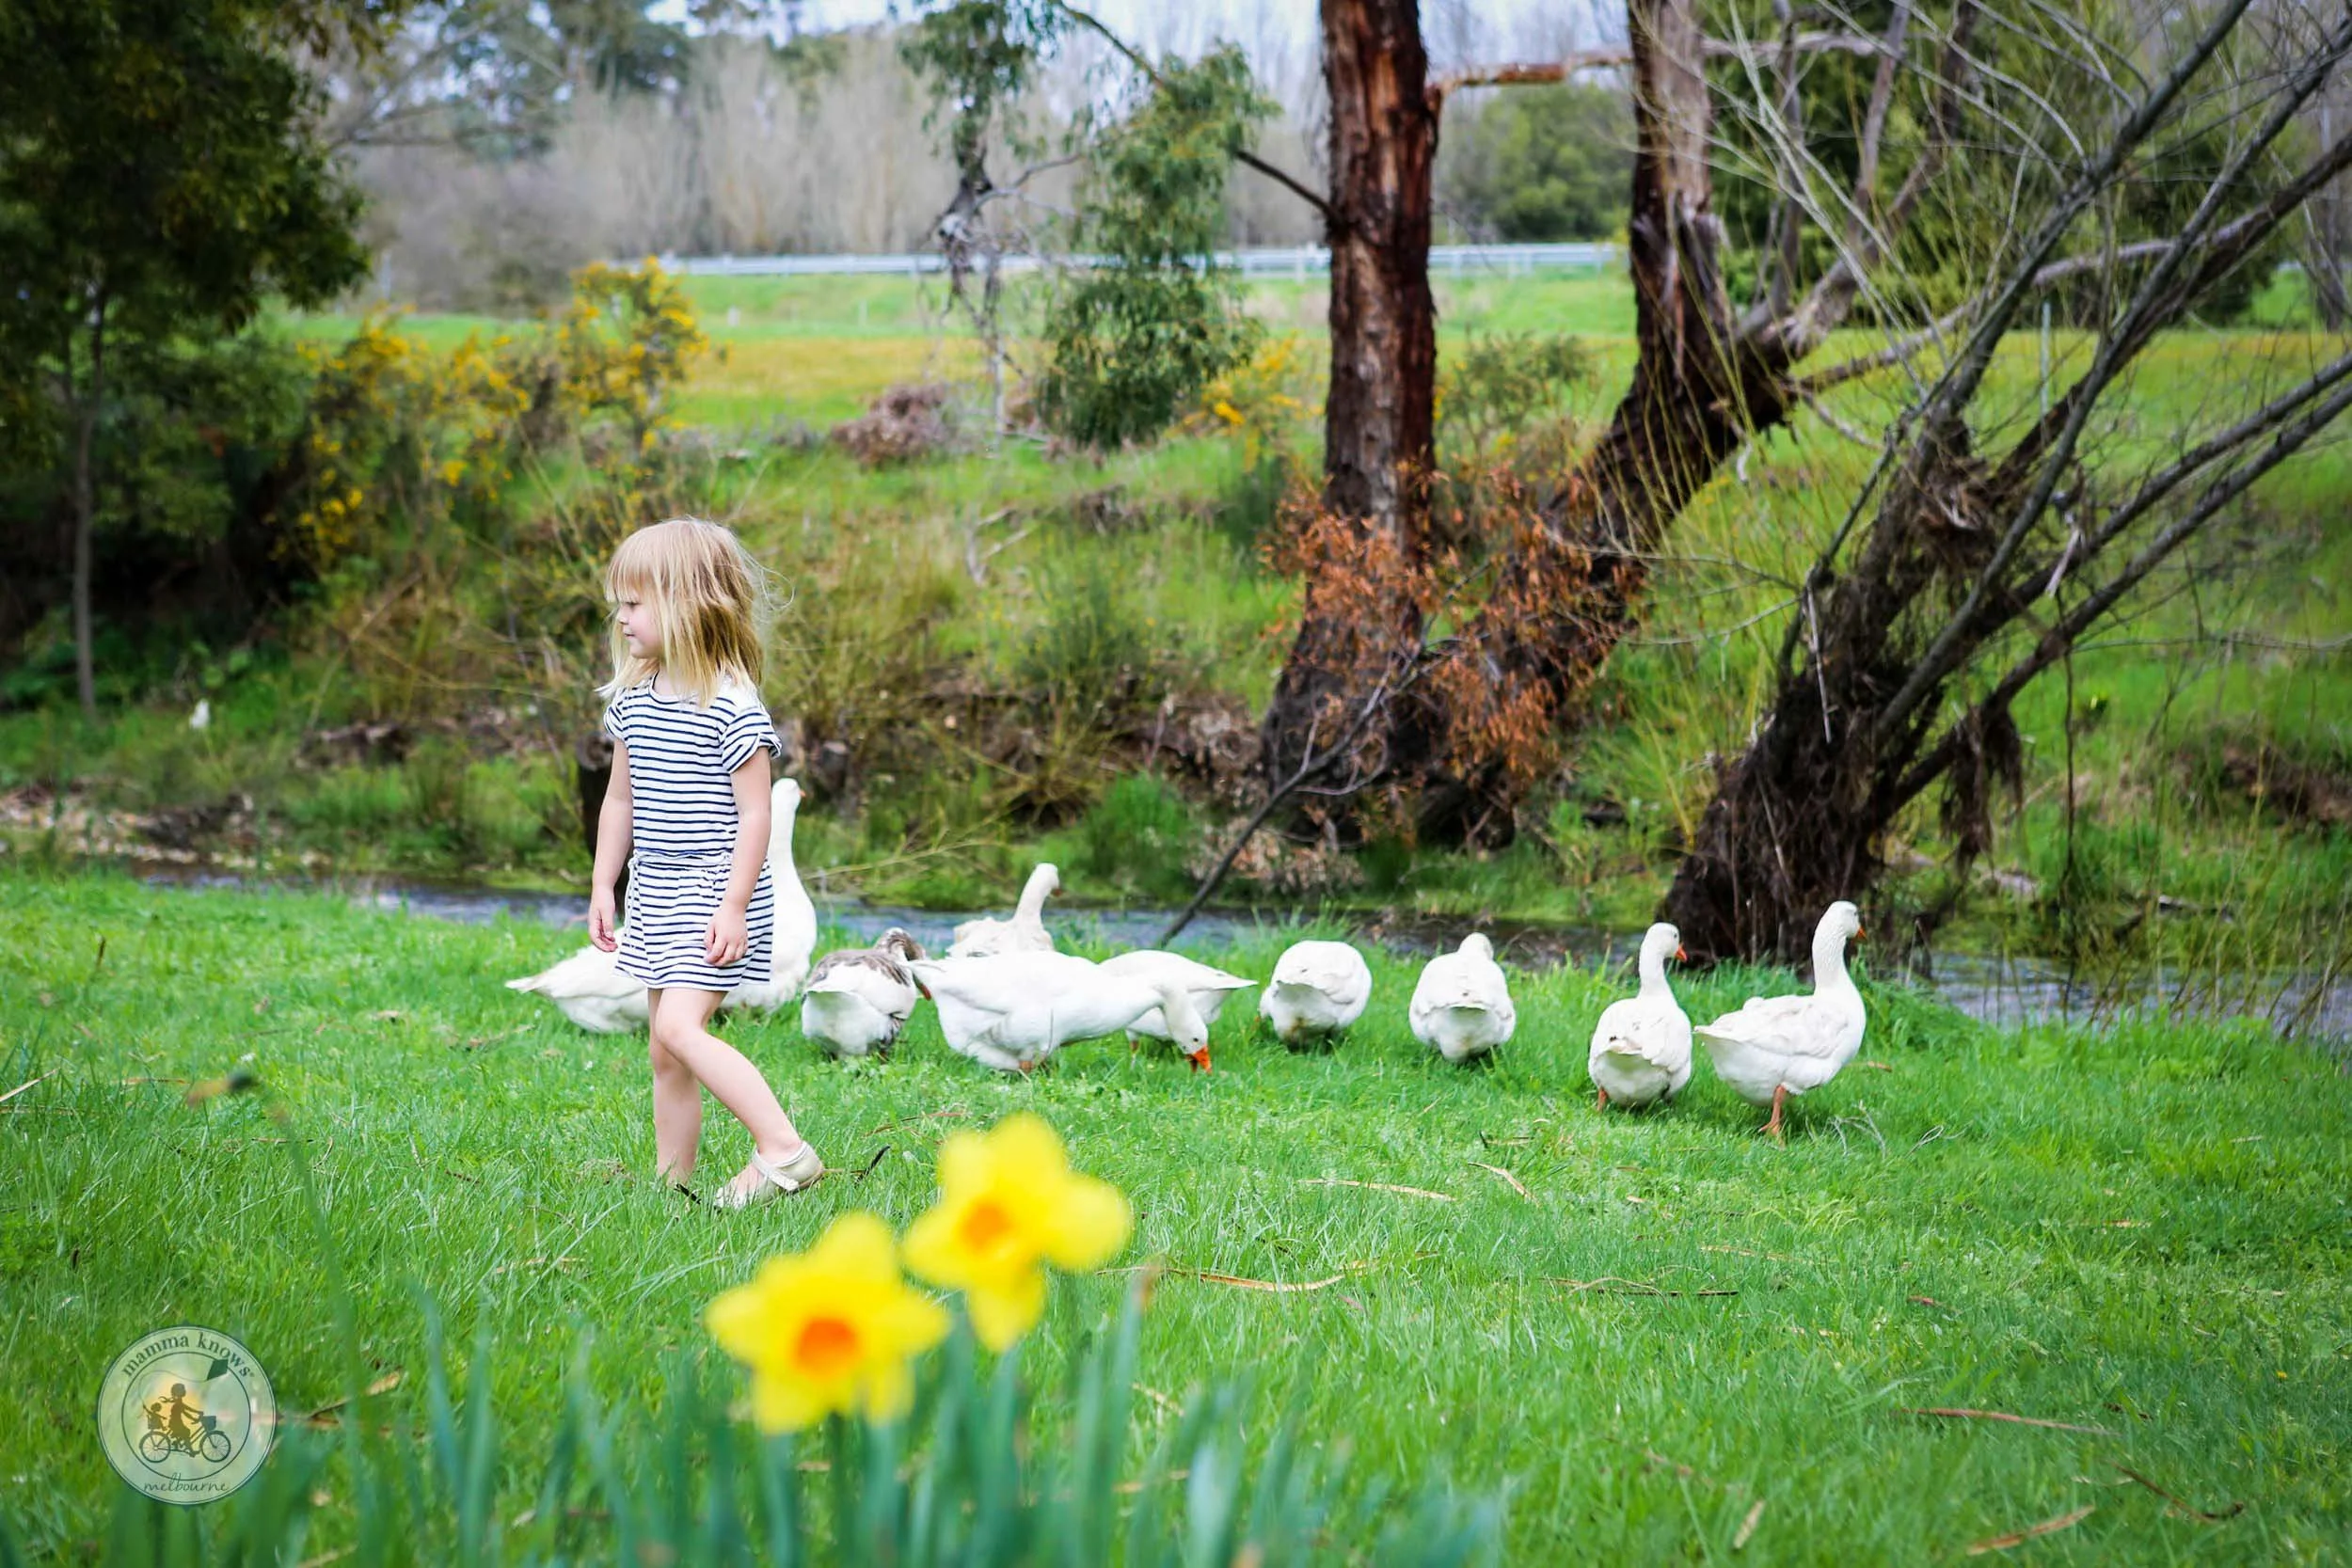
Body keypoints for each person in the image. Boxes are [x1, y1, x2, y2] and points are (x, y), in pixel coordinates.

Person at [591, 518, 822, 1208]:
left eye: (635, 603)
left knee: (677, 1028)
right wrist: (606, 882)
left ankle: (783, 1147)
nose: (622, 618)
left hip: (716, 888)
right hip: (658, 889)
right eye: (619, 605)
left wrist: (732, 904)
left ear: (687, 601)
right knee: (665, 1051)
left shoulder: (731, 705)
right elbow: (619, 799)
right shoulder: (634, 697)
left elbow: (756, 815)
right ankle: (673, 1186)